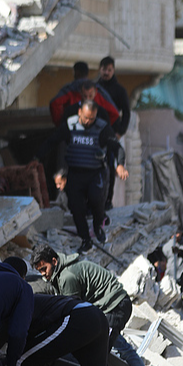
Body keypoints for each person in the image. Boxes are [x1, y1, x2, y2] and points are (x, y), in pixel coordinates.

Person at [30, 244, 160, 366]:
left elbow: (71, 313)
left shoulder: (66, 277)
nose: (43, 275)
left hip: (114, 306)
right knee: (123, 349)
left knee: (97, 352)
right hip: (108, 307)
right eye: (39, 271)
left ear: (54, 261)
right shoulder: (61, 272)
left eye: (44, 269)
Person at [32, 100, 123, 253]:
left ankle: (97, 227)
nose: (88, 122)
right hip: (75, 173)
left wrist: (119, 164)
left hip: (95, 173)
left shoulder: (102, 128)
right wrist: (37, 157)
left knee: (96, 199)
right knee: (76, 207)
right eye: (86, 117)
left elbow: (117, 148)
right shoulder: (70, 125)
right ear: (80, 112)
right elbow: (52, 141)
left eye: (92, 119)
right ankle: (85, 240)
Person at [97, 57, 130, 211]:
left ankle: (108, 200)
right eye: (104, 69)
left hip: (112, 134)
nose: (106, 72)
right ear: (100, 69)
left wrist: (120, 132)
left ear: (113, 70)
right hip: (97, 133)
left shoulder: (119, 90)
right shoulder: (95, 88)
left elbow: (127, 113)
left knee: (111, 166)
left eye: (109, 70)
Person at [49, 73, 119, 128]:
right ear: (81, 94)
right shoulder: (71, 111)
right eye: (85, 96)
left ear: (95, 93)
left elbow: (114, 114)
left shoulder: (102, 112)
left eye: (90, 96)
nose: (88, 99)